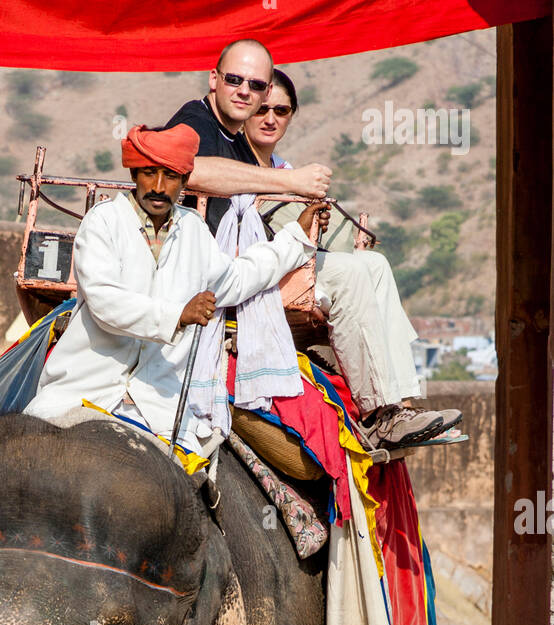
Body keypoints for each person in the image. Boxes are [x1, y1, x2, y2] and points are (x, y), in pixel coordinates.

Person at [24, 122, 321, 458]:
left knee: (195, 490)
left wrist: (295, 236)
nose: (159, 187)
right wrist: (178, 316)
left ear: (184, 181)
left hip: (157, 407)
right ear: (135, 174)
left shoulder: (193, 229)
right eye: (149, 173)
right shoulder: (103, 221)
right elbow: (105, 302)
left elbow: (236, 280)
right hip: (81, 390)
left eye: (171, 176)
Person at [244, 70, 462, 448]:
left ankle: (401, 402)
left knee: (374, 265)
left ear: (291, 115)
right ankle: (378, 412)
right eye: (263, 109)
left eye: (281, 110)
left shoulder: (284, 169)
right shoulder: (235, 164)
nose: (270, 118)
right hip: (256, 270)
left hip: (291, 263)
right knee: (347, 273)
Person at [163, 38, 332, 234]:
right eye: (234, 80)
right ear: (213, 79)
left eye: (256, 85)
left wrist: (304, 219)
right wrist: (293, 179)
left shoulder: (240, 147)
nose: (244, 91)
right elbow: (191, 170)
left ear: (267, 92)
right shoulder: (195, 119)